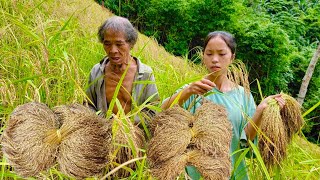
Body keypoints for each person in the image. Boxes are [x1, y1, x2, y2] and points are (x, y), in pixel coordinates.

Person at [161, 31, 285, 179]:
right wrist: (188, 91)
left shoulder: (242, 95)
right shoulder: (194, 89)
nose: (215, 59)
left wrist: (260, 111)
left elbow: (246, 139)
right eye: (209, 54)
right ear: (203, 57)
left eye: (221, 54)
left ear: (232, 57)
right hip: (198, 174)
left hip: (234, 172)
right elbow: (162, 112)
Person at [86, 16, 159, 124]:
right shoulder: (97, 71)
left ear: (131, 44)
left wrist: (125, 126)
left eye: (119, 44)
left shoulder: (145, 74)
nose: (113, 50)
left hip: (134, 135)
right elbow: (88, 105)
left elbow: (152, 112)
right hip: (101, 133)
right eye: (107, 44)